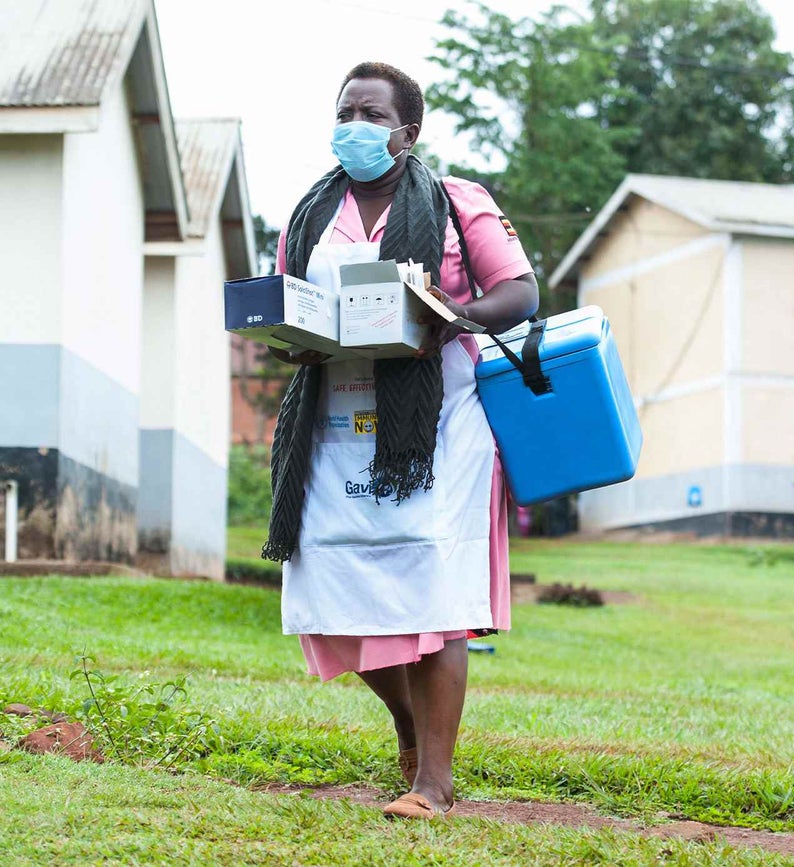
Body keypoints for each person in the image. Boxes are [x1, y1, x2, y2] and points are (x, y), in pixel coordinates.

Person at [263, 62, 539, 820]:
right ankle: (409, 720)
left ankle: (434, 783)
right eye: (345, 108)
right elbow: (290, 298)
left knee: (435, 592)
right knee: (323, 587)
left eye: (371, 112)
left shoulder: (456, 202)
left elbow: (520, 291)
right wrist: (297, 340)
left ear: (406, 132)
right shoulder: (308, 213)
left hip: (440, 425)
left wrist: (450, 314)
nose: (354, 123)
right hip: (336, 422)